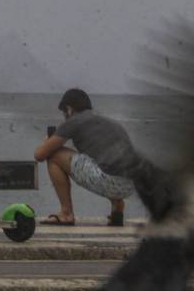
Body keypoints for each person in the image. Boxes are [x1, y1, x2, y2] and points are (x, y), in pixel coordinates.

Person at [33, 88, 137, 227]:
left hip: (109, 181)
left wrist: (47, 142)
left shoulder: (73, 121)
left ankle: (66, 214)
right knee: (104, 159)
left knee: (54, 155)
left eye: (64, 113)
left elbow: (40, 155)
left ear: (69, 109)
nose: (64, 117)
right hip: (130, 185)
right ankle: (117, 206)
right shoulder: (110, 122)